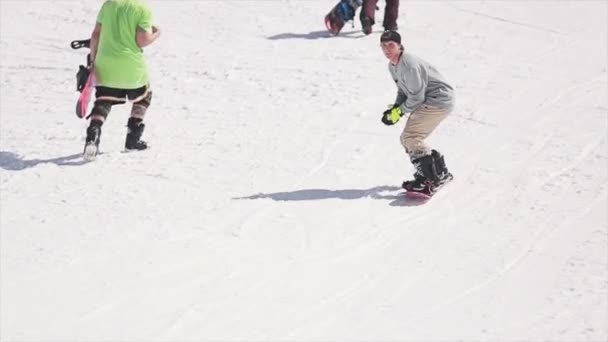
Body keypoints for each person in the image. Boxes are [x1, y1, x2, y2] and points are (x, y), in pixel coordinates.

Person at [378, 30, 454, 194]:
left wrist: (398, 112)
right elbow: (403, 91)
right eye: (383, 46)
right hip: (434, 100)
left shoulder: (409, 65)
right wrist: (395, 109)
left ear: (399, 46)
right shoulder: (393, 65)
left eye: (391, 45)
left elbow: (417, 97)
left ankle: (429, 180)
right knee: (409, 138)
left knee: (410, 137)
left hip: (437, 100)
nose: (387, 49)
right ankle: (440, 172)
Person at [84, 0, 160, 159]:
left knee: (103, 100)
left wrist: (92, 61)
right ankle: (132, 139)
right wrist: (157, 33)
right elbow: (142, 40)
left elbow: (95, 34)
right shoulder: (142, 8)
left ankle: (93, 135)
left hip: (106, 65)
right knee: (144, 96)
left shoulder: (109, 4)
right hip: (131, 67)